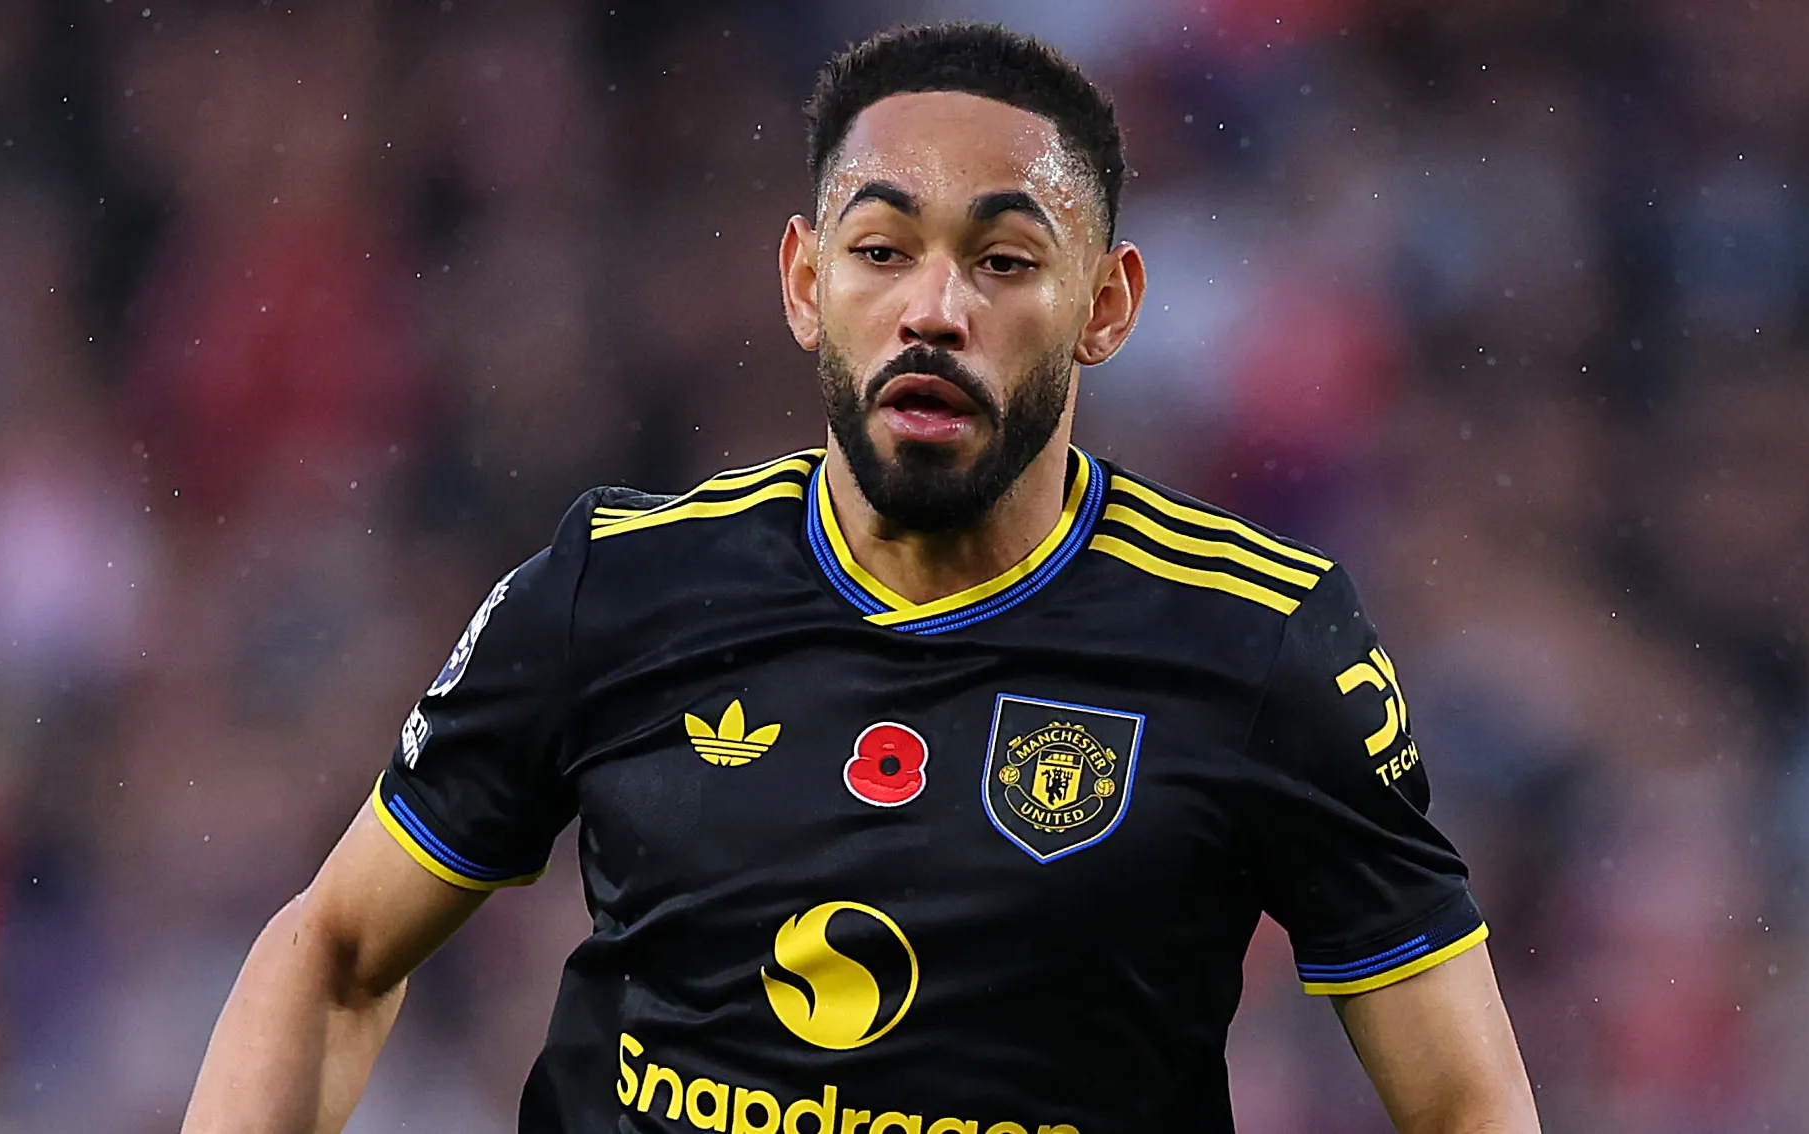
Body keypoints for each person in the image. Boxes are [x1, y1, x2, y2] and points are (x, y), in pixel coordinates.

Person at [183, 23, 1540, 1134]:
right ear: (804, 281)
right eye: (882, 250)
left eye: (1004, 261)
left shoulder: (1260, 640)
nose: (933, 309)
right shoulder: (619, 587)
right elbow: (332, 957)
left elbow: (1466, 1104)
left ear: (1107, 305)